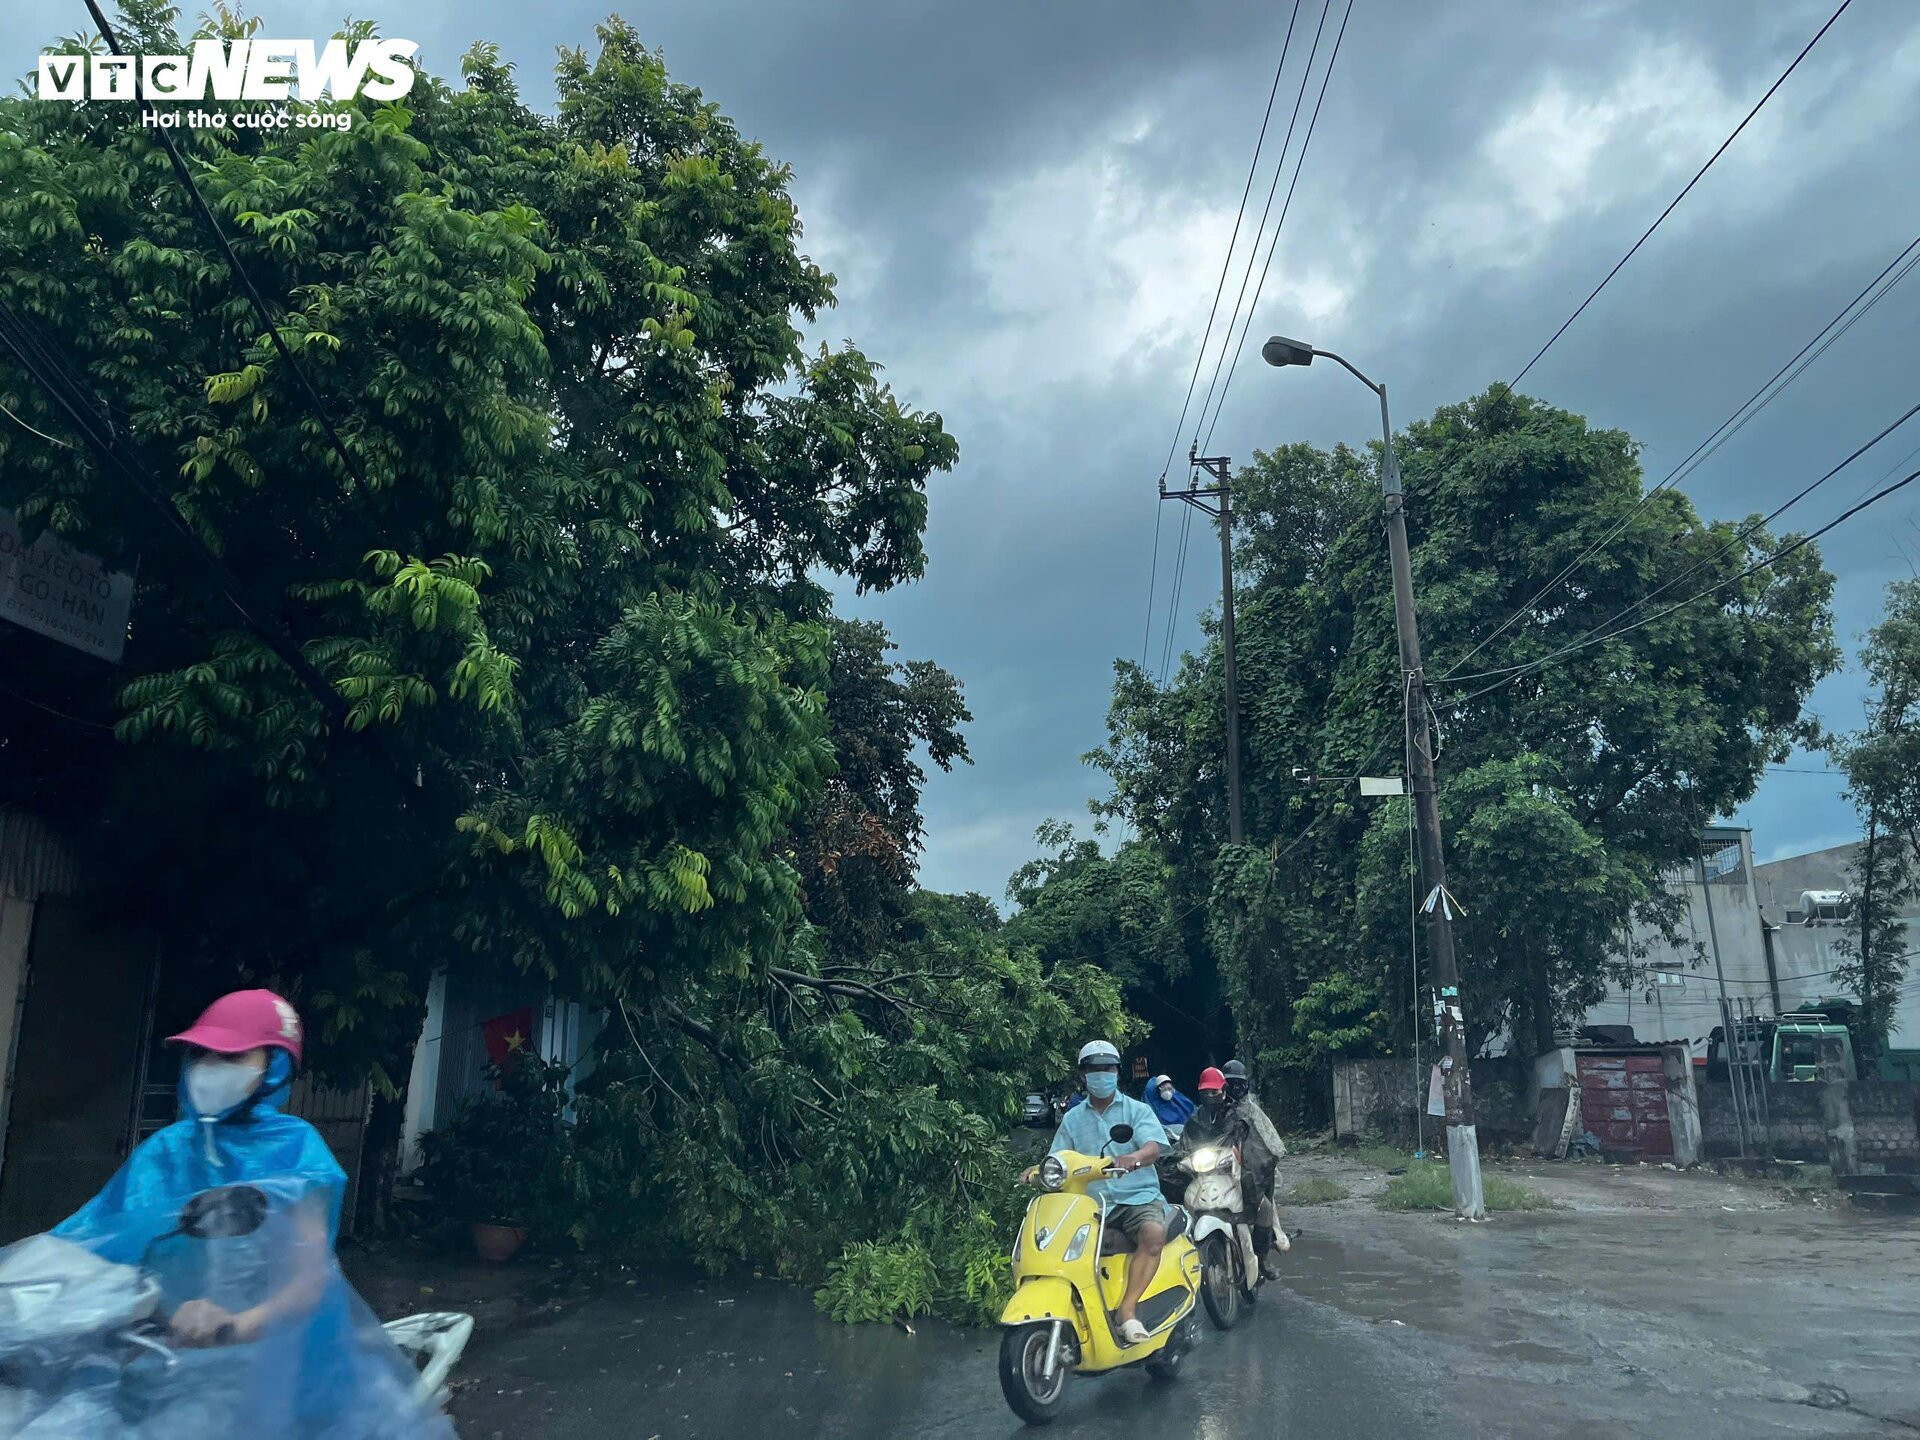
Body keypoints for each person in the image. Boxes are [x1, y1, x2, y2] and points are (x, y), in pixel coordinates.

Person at [45, 988, 451, 1437]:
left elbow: (311, 1278)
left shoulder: (296, 1149)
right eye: (202, 1054)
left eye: (232, 1057)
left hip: (279, 1372)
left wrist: (236, 1325)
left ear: (274, 1066)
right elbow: (94, 1242)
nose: (210, 1069)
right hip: (168, 1365)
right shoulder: (164, 1151)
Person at [1022, 1040, 1169, 1345]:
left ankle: (1127, 1311)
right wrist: (1038, 1170)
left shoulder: (1137, 1110)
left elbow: (1153, 1147)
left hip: (1136, 1197)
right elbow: (1059, 1158)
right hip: (1091, 1205)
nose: (1102, 1074)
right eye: (1095, 1069)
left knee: (1153, 1232)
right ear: (1083, 1075)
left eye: (1108, 1068)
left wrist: (1135, 1157)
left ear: (1116, 1073)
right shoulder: (1073, 1119)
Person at [1219, 1058, 1288, 1279]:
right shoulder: (1212, 1110)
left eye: (1240, 1084)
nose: (1235, 1088)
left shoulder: (1253, 1112)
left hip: (1248, 1172)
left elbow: (1269, 1143)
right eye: (1231, 1083)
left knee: (1265, 1208)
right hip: (1217, 1170)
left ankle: (1262, 1258)